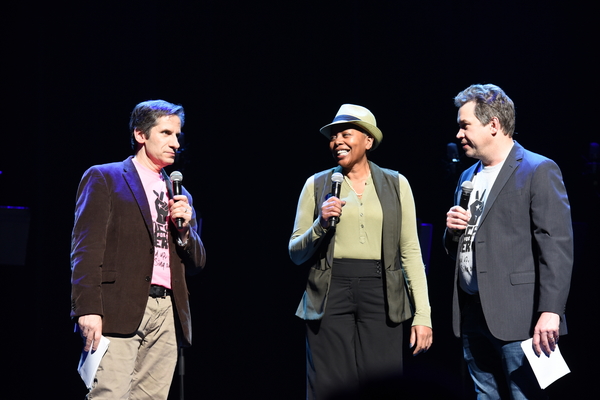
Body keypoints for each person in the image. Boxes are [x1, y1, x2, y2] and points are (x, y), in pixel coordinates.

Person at [289, 104, 433, 399]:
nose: (337, 141)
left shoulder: (396, 184)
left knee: (383, 383)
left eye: (346, 133)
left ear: (368, 141)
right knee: (330, 386)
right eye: (333, 136)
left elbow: (410, 251)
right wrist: (320, 224)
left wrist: (423, 315)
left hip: (381, 291)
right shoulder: (316, 185)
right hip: (330, 290)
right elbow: (295, 252)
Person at [70, 99, 206, 399]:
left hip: (167, 311)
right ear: (140, 135)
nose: (176, 143)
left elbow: (197, 262)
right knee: (110, 394)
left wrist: (184, 229)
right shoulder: (105, 177)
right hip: (117, 307)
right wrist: (88, 307)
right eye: (166, 133)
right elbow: (86, 248)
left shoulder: (179, 193)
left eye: (178, 135)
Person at [444, 84, 573, 399]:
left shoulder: (537, 169)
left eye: (465, 125)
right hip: (473, 313)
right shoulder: (467, 176)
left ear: (493, 125)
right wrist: (452, 232)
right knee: (485, 395)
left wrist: (551, 311)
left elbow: (556, 247)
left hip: (520, 317)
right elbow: (459, 249)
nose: (458, 134)